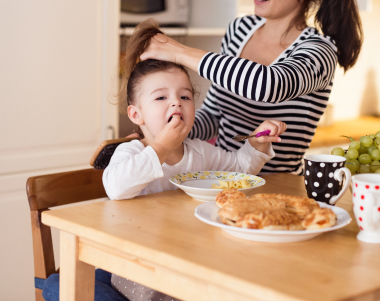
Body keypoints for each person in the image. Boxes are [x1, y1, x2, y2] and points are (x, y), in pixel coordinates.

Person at [140, 0, 363, 175]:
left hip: (279, 193)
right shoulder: (240, 30)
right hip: (222, 185)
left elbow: (268, 85)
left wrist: (178, 51)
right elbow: (214, 116)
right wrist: (155, 136)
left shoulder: (319, 52)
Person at [101, 18, 286, 300]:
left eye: (185, 97)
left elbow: (238, 170)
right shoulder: (132, 152)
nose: (176, 103)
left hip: (190, 261)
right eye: (161, 98)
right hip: (140, 270)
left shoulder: (200, 151)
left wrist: (256, 144)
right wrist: (161, 147)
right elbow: (116, 187)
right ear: (136, 115)